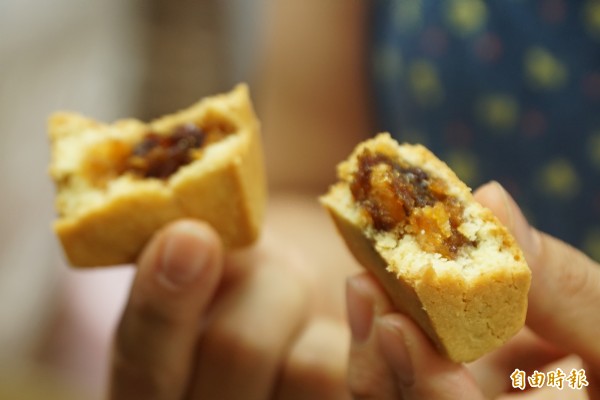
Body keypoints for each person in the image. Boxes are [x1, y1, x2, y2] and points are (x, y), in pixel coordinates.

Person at [108, 1, 600, 399]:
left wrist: (559, 379)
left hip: (543, 380)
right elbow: (304, 184)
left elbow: (553, 380)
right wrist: (277, 298)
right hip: (499, 374)